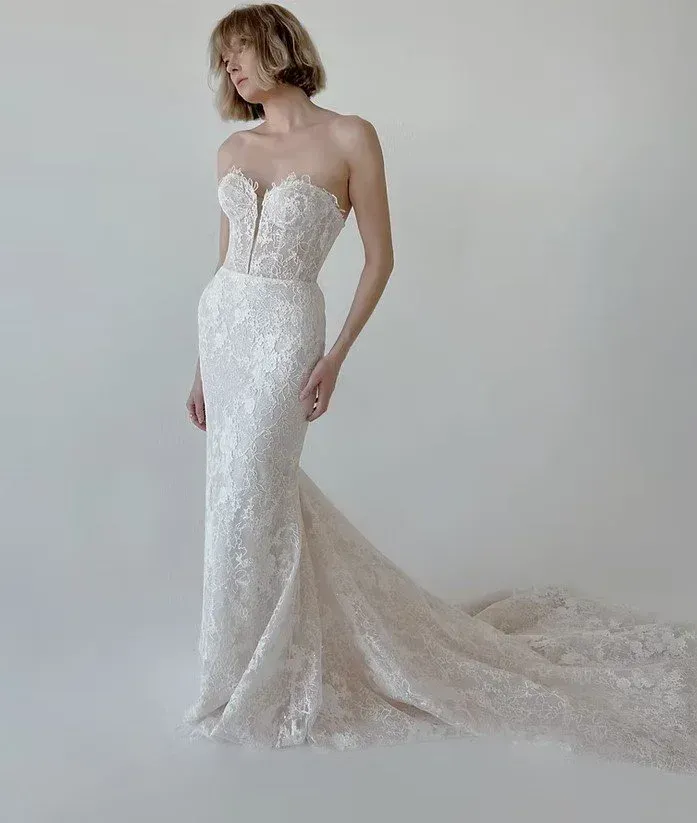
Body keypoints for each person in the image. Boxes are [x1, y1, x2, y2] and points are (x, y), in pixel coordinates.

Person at [179, 3, 697, 774]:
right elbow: (224, 267)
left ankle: (272, 667)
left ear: (280, 48)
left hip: (288, 325)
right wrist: (199, 367)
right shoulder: (231, 150)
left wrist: (336, 356)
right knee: (233, 494)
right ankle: (237, 667)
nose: (233, 71)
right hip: (224, 326)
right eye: (224, 62)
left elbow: (379, 258)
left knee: (257, 480)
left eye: (241, 52)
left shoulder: (350, 136)